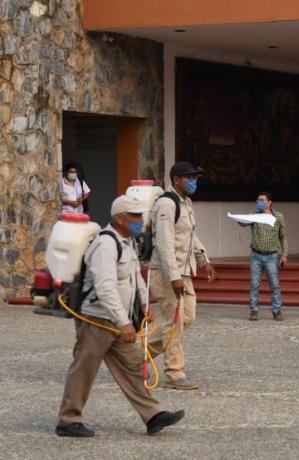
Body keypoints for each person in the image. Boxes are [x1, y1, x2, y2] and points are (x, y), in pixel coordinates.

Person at [56, 195, 184, 437]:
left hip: (119, 322)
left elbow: (135, 278)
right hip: (97, 320)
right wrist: (123, 322)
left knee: (133, 367)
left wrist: (144, 306)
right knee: (84, 369)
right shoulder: (106, 244)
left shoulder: (128, 242)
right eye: (135, 216)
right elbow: (105, 287)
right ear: (120, 218)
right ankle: (67, 420)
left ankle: (153, 415)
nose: (140, 221)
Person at [148, 162, 216, 390]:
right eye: (189, 177)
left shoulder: (185, 203)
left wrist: (203, 259)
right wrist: (174, 276)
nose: (194, 181)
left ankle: (136, 355)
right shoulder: (167, 204)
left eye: (195, 177)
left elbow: (189, 236)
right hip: (169, 273)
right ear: (176, 179)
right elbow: (164, 242)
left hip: (184, 272)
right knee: (174, 322)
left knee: (187, 318)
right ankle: (174, 374)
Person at [242, 191, 288, 321]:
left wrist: (284, 254)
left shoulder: (278, 217)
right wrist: (238, 218)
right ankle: (253, 310)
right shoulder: (254, 216)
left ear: (269, 202)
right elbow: (242, 223)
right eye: (258, 200)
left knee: (274, 284)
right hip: (256, 255)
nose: (259, 202)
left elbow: (283, 237)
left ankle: (276, 310)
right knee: (254, 284)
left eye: (262, 200)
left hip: (271, 256)